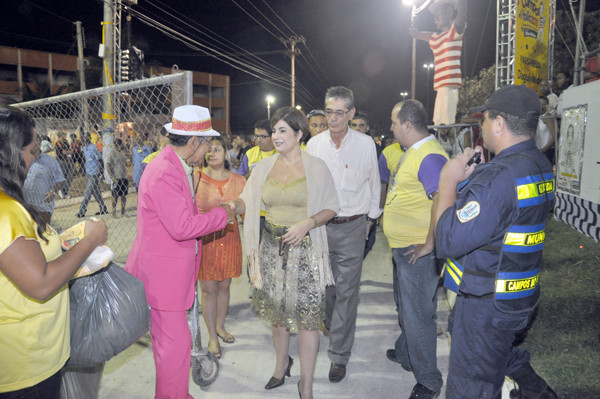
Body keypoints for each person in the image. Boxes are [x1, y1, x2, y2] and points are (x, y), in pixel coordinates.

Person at [434, 85, 559, 399]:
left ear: (500, 124)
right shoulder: (538, 164)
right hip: (518, 295)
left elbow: (447, 240)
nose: (482, 128)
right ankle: (538, 393)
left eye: (484, 120)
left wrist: (448, 181)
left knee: (472, 386)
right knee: (499, 352)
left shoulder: (499, 177)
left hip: (485, 305)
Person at [125, 105, 234, 399]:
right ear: (194, 142)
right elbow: (182, 227)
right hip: (164, 280)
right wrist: (225, 214)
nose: (208, 152)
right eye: (207, 145)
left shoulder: (172, 166)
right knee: (175, 349)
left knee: (170, 348)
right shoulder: (164, 171)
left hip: (166, 276)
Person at [231, 106, 339, 399]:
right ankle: (281, 365)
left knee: (307, 320)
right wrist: (231, 207)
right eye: (274, 131)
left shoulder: (316, 167)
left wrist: (309, 222)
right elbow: (246, 201)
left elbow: (332, 206)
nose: (276, 137)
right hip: (271, 250)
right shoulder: (263, 168)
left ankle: (306, 382)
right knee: (277, 316)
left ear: (299, 134)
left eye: (282, 131)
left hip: (306, 251)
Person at [0, 106, 108, 397]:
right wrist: (89, 241)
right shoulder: (6, 212)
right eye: (31, 151)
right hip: (27, 364)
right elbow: (41, 283)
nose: (34, 159)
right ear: (11, 153)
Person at [306, 86, 382, 383]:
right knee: (328, 290)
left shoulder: (365, 145)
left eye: (340, 112)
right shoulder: (314, 145)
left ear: (351, 113)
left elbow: (375, 185)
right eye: (329, 112)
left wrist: (370, 221)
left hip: (353, 226)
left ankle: (339, 355)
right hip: (322, 228)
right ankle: (330, 324)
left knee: (347, 294)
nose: (333, 118)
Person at [383, 100, 447, 399]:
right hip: (403, 245)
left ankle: (429, 381)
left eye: (394, 122)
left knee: (419, 314)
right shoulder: (415, 151)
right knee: (406, 306)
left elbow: (443, 201)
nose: (391, 127)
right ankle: (406, 353)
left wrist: (430, 243)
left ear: (408, 125)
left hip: (416, 249)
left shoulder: (430, 156)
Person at [193, 136, 246, 359]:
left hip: (230, 238)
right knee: (209, 290)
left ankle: (221, 326)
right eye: (209, 150)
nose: (211, 153)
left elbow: (245, 211)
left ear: (226, 153)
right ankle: (212, 337)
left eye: (217, 149)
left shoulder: (239, 181)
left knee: (225, 287)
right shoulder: (196, 179)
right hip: (205, 240)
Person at [410, 0, 467, 125]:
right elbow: (416, 34)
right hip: (440, 87)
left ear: (450, 12)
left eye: (439, 14)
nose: (436, 18)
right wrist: (414, 18)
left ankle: (448, 138)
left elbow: (461, 15)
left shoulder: (454, 32)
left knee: (447, 122)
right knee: (438, 122)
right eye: (434, 15)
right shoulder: (435, 38)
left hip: (450, 85)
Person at [23, 139, 66, 222]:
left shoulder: (50, 161)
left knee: (43, 233)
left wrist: (52, 192)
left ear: (39, 144)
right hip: (26, 208)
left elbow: (60, 180)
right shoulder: (22, 160)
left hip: (43, 209)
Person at [76, 133, 108, 218]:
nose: (85, 139)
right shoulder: (84, 148)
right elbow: (85, 159)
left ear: (89, 138)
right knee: (96, 192)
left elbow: (100, 160)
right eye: (83, 137)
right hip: (88, 173)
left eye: (86, 137)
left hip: (94, 173)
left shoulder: (93, 148)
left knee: (87, 192)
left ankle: (82, 211)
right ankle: (103, 208)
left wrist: (102, 173)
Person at [106, 138, 129, 218]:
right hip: (116, 178)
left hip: (123, 177)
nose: (122, 146)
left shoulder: (123, 153)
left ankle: (123, 212)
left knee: (123, 196)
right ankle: (114, 212)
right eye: (121, 144)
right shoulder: (111, 153)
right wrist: (112, 177)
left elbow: (127, 162)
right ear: (116, 145)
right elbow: (108, 166)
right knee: (115, 196)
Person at [55, 131, 73, 197]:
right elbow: (63, 152)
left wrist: (68, 152)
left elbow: (70, 151)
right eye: (63, 135)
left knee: (70, 176)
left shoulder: (65, 142)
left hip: (67, 160)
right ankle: (62, 191)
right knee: (63, 176)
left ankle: (65, 191)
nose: (65, 136)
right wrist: (68, 152)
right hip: (61, 161)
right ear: (60, 136)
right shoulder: (58, 143)